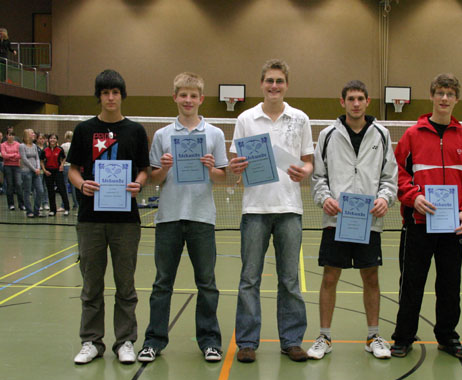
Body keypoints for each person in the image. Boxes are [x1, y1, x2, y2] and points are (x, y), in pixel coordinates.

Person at [137, 72, 227, 364]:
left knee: (207, 284)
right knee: (162, 283)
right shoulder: (163, 135)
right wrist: (163, 168)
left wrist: (211, 168)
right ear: (175, 97)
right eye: (183, 95)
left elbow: (223, 178)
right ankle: (153, 341)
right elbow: (154, 179)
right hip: (169, 218)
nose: (188, 100)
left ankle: (210, 341)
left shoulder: (214, 134)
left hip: (202, 218)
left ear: (201, 99)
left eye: (193, 96)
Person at [228, 59, 313, 363]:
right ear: (261, 83)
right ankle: (247, 342)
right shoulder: (246, 119)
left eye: (279, 81)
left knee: (289, 279)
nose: (274, 86)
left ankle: (291, 341)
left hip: (289, 208)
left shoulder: (300, 119)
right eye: (269, 81)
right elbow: (235, 162)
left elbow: (308, 161)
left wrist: (305, 171)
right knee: (249, 278)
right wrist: (236, 167)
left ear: (286, 85)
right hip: (255, 209)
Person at [391, 73, 462, 359]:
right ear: (431, 96)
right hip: (417, 224)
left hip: (452, 227)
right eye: (440, 93)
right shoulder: (412, 135)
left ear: (456, 99)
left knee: (450, 285)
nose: (444, 98)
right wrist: (414, 197)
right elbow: (397, 173)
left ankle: (447, 336)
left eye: (449, 94)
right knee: (411, 283)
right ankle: (403, 336)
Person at [308, 80, 398, 360]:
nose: (356, 103)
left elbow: (390, 177)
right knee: (330, 276)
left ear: (367, 102)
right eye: (351, 99)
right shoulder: (327, 135)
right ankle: (324, 336)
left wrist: (385, 198)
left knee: (370, 276)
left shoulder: (382, 135)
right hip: (336, 219)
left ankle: (373, 336)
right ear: (342, 101)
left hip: (369, 219)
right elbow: (318, 177)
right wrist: (325, 199)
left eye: (360, 98)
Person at [68, 69, 150, 365]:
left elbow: (145, 170)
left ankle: (125, 341)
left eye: (115, 92)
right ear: (99, 96)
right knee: (91, 285)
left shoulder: (135, 131)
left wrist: (138, 184)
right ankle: (91, 341)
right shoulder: (84, 130)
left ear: (122, 95)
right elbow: (73, 169)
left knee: (125, 284)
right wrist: (82, 185)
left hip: (125, 221)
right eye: (105, 93)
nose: (111, 98)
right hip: (90, 219)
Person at [40, 133, 70, 216]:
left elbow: (64, 158)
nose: (52, 140)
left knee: (62, 189)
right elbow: (41, 161)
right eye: (51, 138)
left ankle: (67, 208)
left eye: (54, 138)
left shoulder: (60, 149)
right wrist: (44, 170)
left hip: (57, 171)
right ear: (48, 140)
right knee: (50, 191)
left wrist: (62, 165)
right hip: (48, 172)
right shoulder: (45, 150)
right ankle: (52, 210)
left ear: (57, 140)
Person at [19, 129, 44, 218]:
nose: (34, 134)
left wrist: (38, 168)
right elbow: (24, 159)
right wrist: (34, 169)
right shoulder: (22, 146)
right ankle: (29, 211)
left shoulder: (34, 146)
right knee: (27, 191)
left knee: (40, 190)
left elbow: (37, 157)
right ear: (27, 135)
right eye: (32, 133)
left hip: (36, 172)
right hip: (26, 172)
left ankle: (36, 210)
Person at [1, 129, 25, 211]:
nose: (11, 136)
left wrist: (10, 156)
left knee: (19, 184)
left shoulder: (18, 144)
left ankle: (21, 204)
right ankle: (11, 204)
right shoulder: (3, 145)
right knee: (10, 185)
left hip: (17, 166)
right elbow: (4, 155)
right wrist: (14, 155)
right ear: (6, 136)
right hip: (7, 166)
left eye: (12, 135)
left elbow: (20, 155)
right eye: (9, 135)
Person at [61, 131, 79, 211]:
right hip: (72, 167)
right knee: (73, 186)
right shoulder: (75, 145)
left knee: (64, 186)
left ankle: (64, 204)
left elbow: (61, 157)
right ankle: (76, 204)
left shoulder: (63, 146)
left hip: (65, 166)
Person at [35, 132, 50, 210]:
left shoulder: (46, 147)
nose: (42, 140)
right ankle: (38, 203)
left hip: (46, 169)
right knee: (38, 187)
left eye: (43, 139)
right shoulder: (35, 147)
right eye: (40, 138)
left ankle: (45, 203)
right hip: (38, 169)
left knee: (45, 187)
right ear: (37, 139)